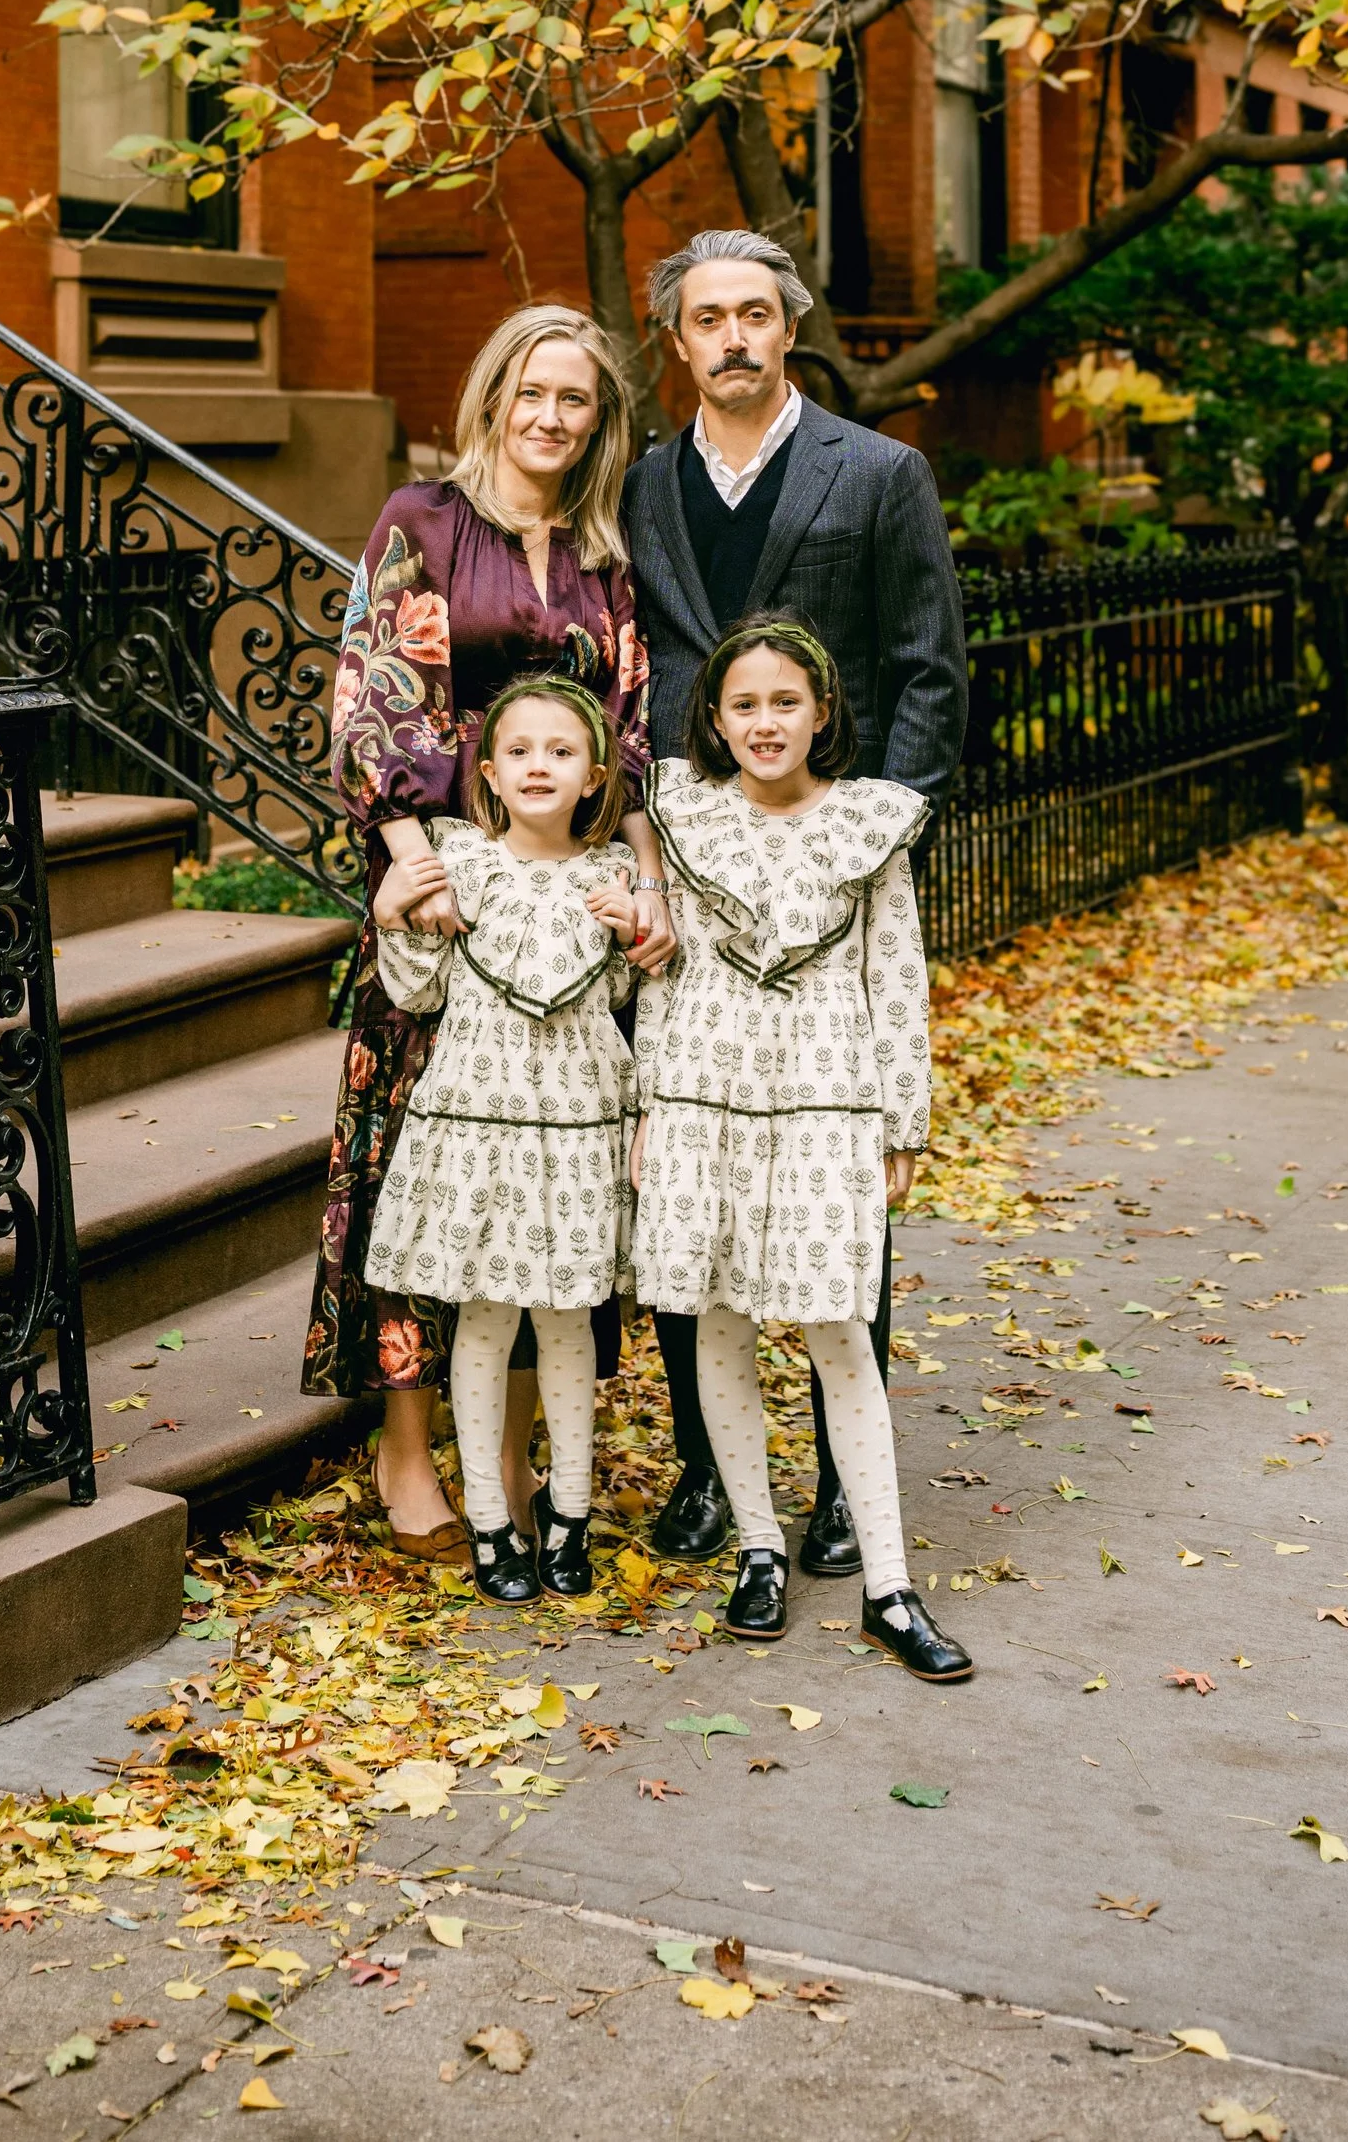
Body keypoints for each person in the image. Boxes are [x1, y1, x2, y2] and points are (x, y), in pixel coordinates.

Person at [621, 227, 966, 1575]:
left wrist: (874, 842)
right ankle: (711, 1477)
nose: (735, 339)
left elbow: (928, 668)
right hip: (689, 869)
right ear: (679, 338)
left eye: (757, 313)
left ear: (790, 324)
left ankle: (838, 1486)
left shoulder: (878, 472)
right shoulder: (645, 482)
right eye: (709, 318)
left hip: (823, 872)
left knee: (835, 1194)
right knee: (689, 1187)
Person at [302, 303, 670, 1554]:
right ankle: (409, 1455)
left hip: (564, 911)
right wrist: (416, 871)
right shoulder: (424, 524)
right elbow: (373, 703)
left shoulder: (602, 562)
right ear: (493, 395)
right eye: (532, 392)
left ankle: (508, 1461)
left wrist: (646, 881)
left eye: (576, 399)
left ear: (599, 419)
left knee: (546, 1199)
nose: (551, 417)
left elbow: (625, 737)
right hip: (441, 897)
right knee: (423, 1185)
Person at [633, 615, 971, 1681]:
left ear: (822, 712)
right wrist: (648, 1108)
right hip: (703, 1089)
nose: (765, 722)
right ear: (716, 721)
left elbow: (897, 978)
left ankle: (888, 1584)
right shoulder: (686, 820)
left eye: (786, 702)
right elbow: (660, 973)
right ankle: (758, 1547)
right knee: (720, 1321)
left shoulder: (868, 825)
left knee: (839, 1331)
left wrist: (901, 1116)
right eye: (744, 705)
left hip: (826, 1091)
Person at [364, 675, 642, 1602]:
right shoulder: (457, 862)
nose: (538, 767)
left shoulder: (617, 881)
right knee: (482, 1322)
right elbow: (418, 990)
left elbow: (624, 1001)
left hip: (573, 1130)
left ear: (595, 777)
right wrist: (392, 915)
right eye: (519, 751)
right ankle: (488, 1515)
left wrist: (637, 933)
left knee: (568, 1324)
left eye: (561, 753)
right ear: (487, 772)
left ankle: (568, 1510)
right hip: (478, 1130)